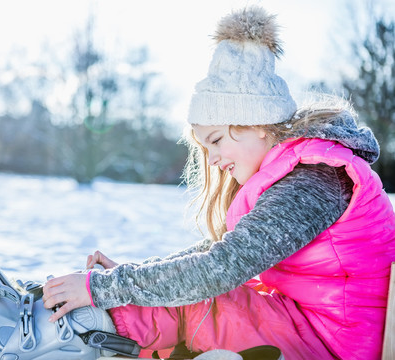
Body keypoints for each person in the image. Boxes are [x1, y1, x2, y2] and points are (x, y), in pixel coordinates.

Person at [42, 5, 395, 360]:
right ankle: (75, 332)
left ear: (256, 124)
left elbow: (220, 268)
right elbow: (214, 255)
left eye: (215, 140)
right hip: (307, 324)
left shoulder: (314, 181)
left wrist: (103, 289)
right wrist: (129, 280)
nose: (211, 158)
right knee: (183, 301)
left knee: (196, 303)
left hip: (331, 344)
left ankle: (68, 338)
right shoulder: (298, 171)